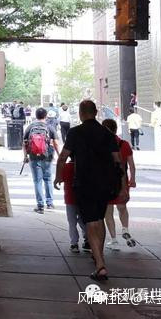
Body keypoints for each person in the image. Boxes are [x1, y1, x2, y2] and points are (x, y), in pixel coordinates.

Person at [55, 100, 121, 281]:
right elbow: (117, 160)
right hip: (105, 184)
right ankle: (99, 255)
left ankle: (100, 265)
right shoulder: (107, 134)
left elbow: (63, 157)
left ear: (80, 113)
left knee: (91, 222)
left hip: (84, 183)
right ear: (96, 112)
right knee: (99, 219)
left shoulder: (75, 132)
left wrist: (59, 176)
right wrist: (121, 184)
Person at [101, 119, 137, 250]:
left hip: (106, 182)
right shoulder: (124, 144)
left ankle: (114, 240)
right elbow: (131, 165)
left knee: (108, 212)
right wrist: (132, 180)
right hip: (122, 181)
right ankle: (125, 229)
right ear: (116, 129)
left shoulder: (101, 145)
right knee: (122, 207)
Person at [24, 108, 60, 214]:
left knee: (37, 181)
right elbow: (56, 143)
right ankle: (50, 203)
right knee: (48, 179)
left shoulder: (30, 127)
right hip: (47, 156)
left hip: (33, 156)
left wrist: (25, 156)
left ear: (36, 116)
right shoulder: (49, 127)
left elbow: (25, 142)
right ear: (45, 116)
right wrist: (59, 155)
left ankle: (40, 206)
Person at [62, 160, 89, 253]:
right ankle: (87, 240)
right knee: (83, 220)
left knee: (72, 222)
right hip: (83, 198)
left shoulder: (66, 167)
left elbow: (62, 178)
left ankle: (74, 243)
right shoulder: (85, 166)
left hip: (70, 198)